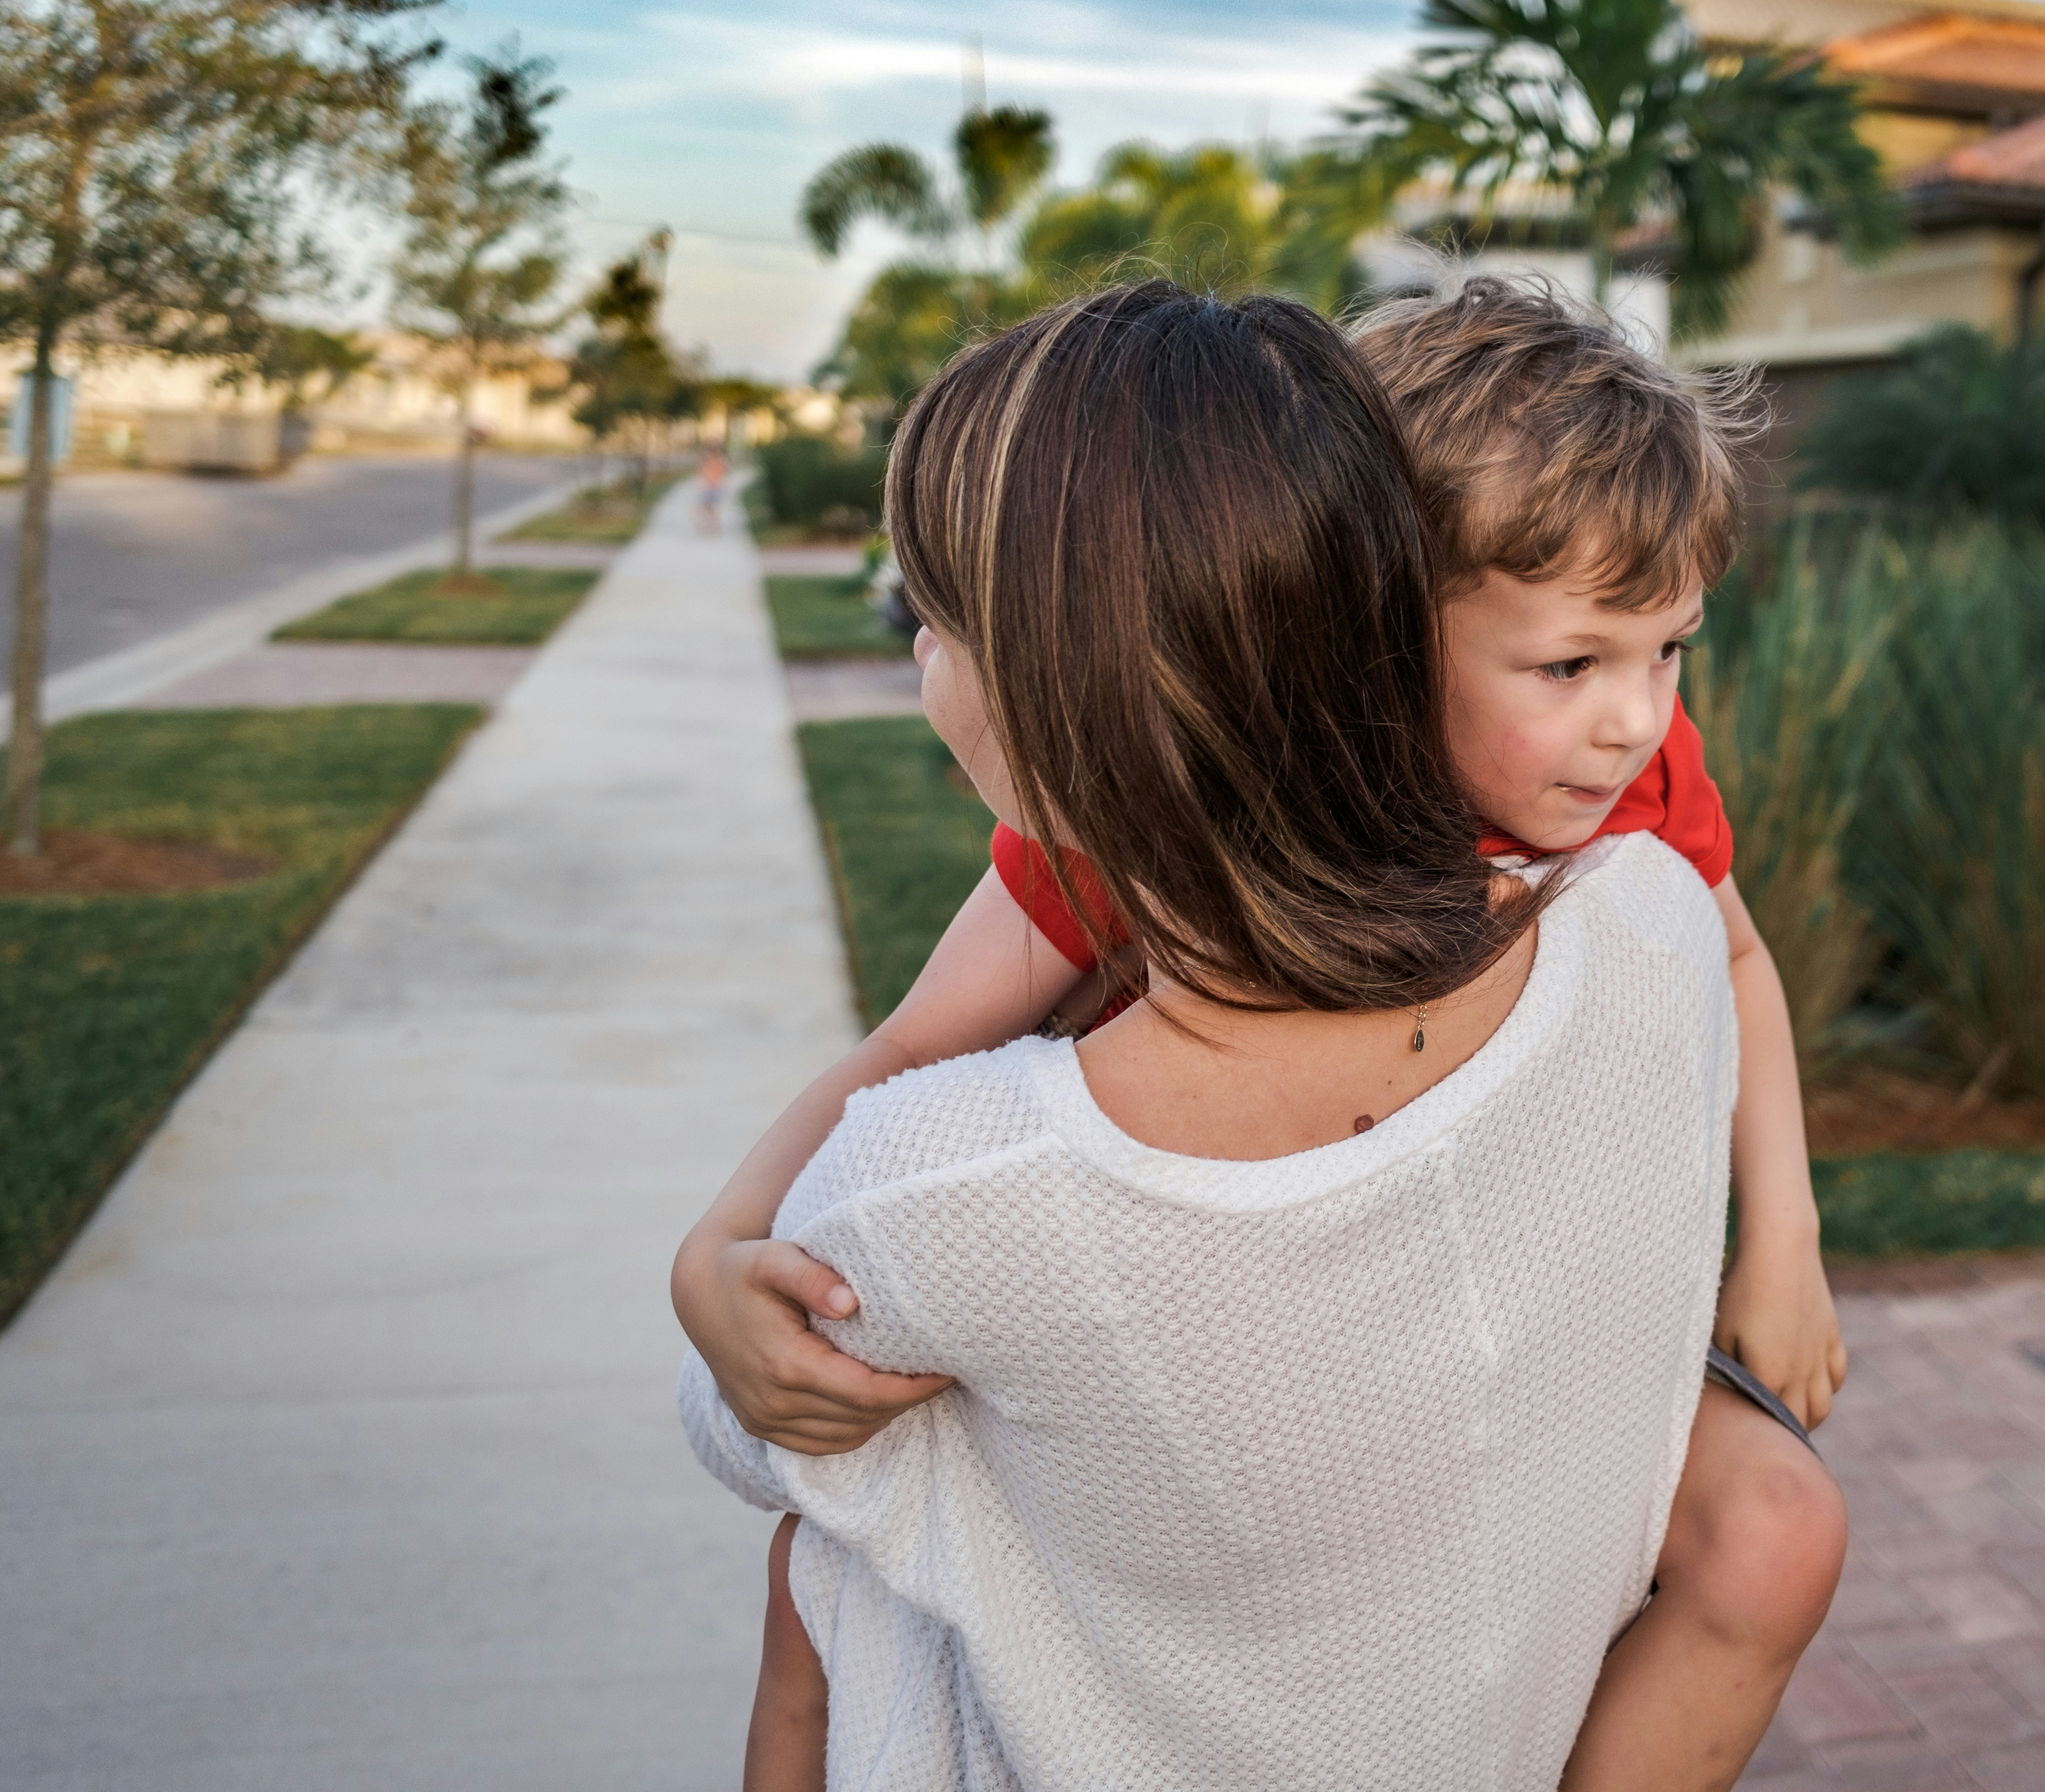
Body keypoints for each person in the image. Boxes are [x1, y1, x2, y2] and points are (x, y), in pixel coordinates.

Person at [676, 279, 1848, 1792]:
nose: (1633, 722)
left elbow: (773, 1421)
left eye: (1662, 655)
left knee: (1774, 1526)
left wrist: (1786, 1242)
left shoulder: (1625, 853)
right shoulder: (1607, 919)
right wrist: (712, 1253)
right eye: (1570, 666)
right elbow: (911, 1048)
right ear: (1371, 619)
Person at [699, 440, 730, 535]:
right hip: (709, 486)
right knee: (709, 508)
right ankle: (711, 526)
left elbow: (726, 471)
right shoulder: (708, 460)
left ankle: (713, 526)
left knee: (713, 507)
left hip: (715, 487)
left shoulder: (721, 461)